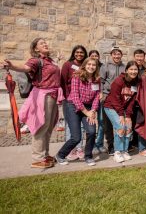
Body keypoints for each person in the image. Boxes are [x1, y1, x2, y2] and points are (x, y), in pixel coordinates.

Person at [1, 38, 64, 169]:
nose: (45, 44)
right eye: (41, 43)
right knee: (41, 126)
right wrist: (11, 65)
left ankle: (45, 154)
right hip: (43, 96)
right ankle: (37, 158)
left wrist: (57, 60)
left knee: (48, 127)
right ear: (36, 49)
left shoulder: (49, 61)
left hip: (52, 96)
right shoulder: (35, 60)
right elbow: (25, 67)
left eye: (45, 42)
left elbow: (51, 73)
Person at [55, 57, 100, 166]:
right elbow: (75, 97)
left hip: (89, 108)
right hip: (73, 106)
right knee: (76, 137)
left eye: (93, 65)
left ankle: (88, 156)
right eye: (89, 64)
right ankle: (60, 155)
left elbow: (97, 96)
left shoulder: (97, 79)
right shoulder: (77, 76)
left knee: (92, 131)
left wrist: (93, 111)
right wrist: (87, 112)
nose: (91, 67)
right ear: (84, 65)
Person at [104, 61, 139, 163]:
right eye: (131, 69)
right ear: (126, 70)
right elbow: (115, 99)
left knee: (128, 126)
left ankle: (124, 150)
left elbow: (132, 100)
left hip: (123, 108)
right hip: (111, 107)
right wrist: (121, 115)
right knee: (120, 126)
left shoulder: (135, 83)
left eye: (135, 69)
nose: (133, 71)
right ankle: (117, 152)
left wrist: (127, 115)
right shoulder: (118, 81)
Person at [60, 45, 88, 160]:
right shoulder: (68, 64)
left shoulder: (85, 65)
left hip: (83, 99)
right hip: (70, 100)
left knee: (80, 126)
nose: (79, 54)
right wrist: (67, 97)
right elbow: (63, 81)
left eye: (82, 52)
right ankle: (71, 150)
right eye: (77, 52)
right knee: (70, 126)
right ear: (73, 53)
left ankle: (80, 148)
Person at [100, 46, 125, 155]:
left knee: (119, 121)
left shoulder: (124, 67)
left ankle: (119, 145)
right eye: (114, 54)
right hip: (107, 96)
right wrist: (101, 92)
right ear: (111, 55)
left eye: (118, 54)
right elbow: (100, 81)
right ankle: (110, 145)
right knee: (107, 123)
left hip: (120, 97)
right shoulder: (105, 66)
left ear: (121, 55)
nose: (116, 56)